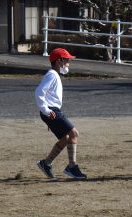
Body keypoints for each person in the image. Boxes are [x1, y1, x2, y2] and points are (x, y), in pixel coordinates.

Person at [35, 48, 87, 179]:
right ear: (59, 61)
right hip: (51, 111)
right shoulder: (52, 74)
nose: (68, 62)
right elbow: (39, 92)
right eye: (67, 60)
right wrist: (46, 110)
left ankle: (46, 163)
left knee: (65, 139)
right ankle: (72, 167)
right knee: (74, 133)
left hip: (51, 110)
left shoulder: (54, 74)